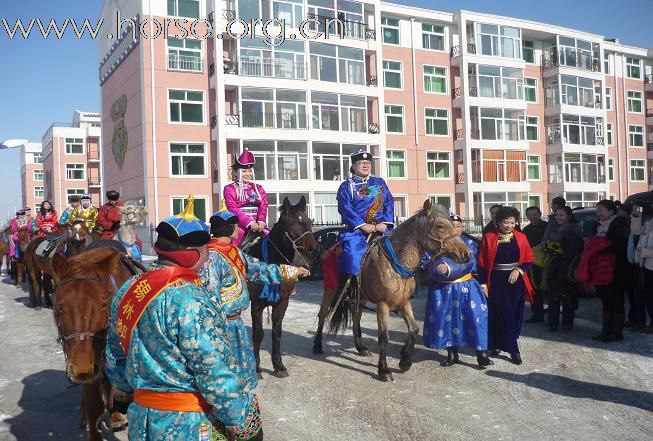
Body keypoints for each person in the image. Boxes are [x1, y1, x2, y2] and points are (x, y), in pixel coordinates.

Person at [106, 196, 263, 441]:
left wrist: (124, 393)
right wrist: (242, 423)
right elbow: (214, 372)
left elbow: (116, 355)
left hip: (142, 421)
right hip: (187, 424)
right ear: (192, 254)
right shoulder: (192, 299)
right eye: (205, 251)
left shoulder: (129, 290)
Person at [200, 209, 309, 392]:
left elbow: (258, 268)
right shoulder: (211, 255)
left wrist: (292, 271)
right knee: (222, 373)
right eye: (235, 225)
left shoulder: (233, 251)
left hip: (235, 322)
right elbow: (209, 293)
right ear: (228, 229)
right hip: (220, 323)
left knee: (240, 372)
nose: (238, 228)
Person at [423, 215, 492, 368]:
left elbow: (470, 264)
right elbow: (426, 264)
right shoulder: (434, 245)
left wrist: (449, 269)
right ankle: (452, 353)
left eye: (458, 226)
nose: (455, 230)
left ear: (462, 228)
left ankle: (482, 354)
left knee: (475, 319)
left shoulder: (469, 243)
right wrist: (435, 269)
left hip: (467, 288)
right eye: (451, 226)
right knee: (448, 321)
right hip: (442, 290)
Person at [477, 206, 534, 365]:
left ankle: (500, 344)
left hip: (516, 282)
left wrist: (519, 270)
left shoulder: (521, 237)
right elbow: (481, 263)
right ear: (498, 222)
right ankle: (513, 350)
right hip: (496, 282)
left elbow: (529, 258)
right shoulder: (489, 237)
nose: (509, 225)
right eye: (505, 222)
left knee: (515, 314)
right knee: (500, 314)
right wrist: (483, 284)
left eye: (512, 222)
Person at [336, 150, 394, 300]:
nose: (365, 165)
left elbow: (388, 202)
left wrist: (385, 223)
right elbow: (345, 208)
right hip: (356, 232)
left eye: (367, 163)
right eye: (361, 163)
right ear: (354, 166)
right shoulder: (346, 186)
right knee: (352, 256)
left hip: (381, 229)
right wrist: (362, 225)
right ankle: (352, 290)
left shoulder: (379, 183)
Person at [590, 199, 630, 342]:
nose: (598, 213)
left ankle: (616, 332)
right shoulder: (598, 226)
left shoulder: (619, 225)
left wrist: (601, 247)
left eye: (601, 210)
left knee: (616, 300)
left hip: (616, 268)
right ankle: (605, 331)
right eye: (597, 211)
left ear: (611, 211)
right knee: (605, 300)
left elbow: (620, 247)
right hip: (601, 268)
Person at [544, 206, 584, 331]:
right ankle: (553, 322)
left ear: (569, 217)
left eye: (561, 215)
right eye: (557, 215)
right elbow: (545, 243)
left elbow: (575, 249)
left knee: (569, 296)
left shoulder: (574, 230)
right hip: (555, 265)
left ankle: (567, 322)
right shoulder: (553, 228)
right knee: (554, 295)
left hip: (569, 266)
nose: (558, 218)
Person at [223, 149, 269, 247]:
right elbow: (232, 208)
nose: (248, 174)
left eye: (249, 171)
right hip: (240, 227)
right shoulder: (229, 189)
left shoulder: (258, 188)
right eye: (244, 171)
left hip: (259, 226)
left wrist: (261, 221)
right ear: (235, 173)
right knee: (235, 248)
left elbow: (263, 205)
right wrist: (249, 222)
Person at [523, 206, 548, 323]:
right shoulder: (526, 229)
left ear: (540, 214)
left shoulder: (546, 226)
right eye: (530, 215)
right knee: (534, 288)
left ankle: (553, 313)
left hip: (546, 261)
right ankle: (537, 313)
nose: (532, 217)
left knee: (547, 287)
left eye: (535, 214)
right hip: (532, 262)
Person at [634, 203, 653, 334]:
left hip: (648, 261)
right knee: (649, 295)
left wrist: (644, 251)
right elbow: (635, 231)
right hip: (646, 265)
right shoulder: (648, 222)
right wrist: (636, 215)